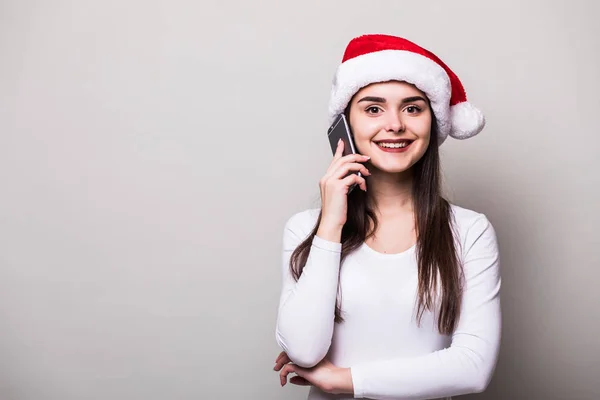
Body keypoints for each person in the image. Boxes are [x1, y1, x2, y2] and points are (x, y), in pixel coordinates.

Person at [273, 34, 501, 400]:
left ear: (434, 122)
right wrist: (331, 224)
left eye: (412, 108)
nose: (394, 125)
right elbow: (302, 349)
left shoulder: (470, 231)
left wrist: (344, 380)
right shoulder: (305, 228)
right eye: (373, 109)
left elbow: (473, 367)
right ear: (345, 125)